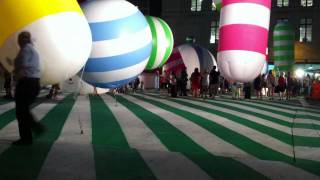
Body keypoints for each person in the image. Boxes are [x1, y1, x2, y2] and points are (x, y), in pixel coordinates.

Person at [12, 31, 44, 145]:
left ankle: (28, 136)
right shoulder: (34, 50)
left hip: (26, 83)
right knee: (23, 110)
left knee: (21, 111)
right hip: (34, 82)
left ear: (21, 40)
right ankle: (30, 134)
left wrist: (15, 81)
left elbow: (23, 67)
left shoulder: (25, 50)